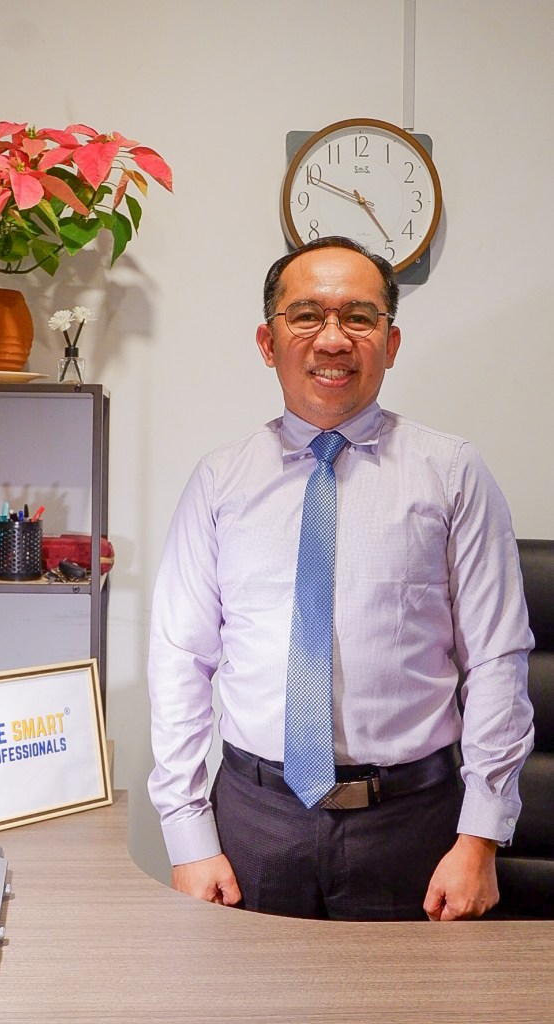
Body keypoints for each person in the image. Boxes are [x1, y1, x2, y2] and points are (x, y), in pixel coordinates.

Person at [147, 236, 534, 921]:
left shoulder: (451, 474)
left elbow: (497, 659)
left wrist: (479, 837)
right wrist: (186, 835)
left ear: (391, 342)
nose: (332, 339)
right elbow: (181, 660)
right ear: (267, 342)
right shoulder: (219, 481)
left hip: (414, 825)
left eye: (359, 317)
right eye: (306, 316)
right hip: (254, 820)